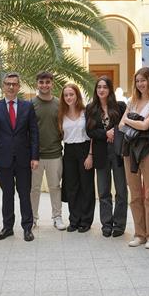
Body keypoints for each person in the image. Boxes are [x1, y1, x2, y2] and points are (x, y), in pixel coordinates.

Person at [0, 72, 39, 242]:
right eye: (8, 84)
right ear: (3, 86)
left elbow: (34, 134)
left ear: (19, 87)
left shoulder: (27, 107)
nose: (11, 87)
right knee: (7, 194)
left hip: (24, 159)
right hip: (3, 160)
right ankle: (7, 227)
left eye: (14, 84)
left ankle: (27, 228)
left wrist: (35, 157)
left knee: (25, 194)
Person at [119, 67, 149, 249]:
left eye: (143, 80)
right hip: (129, 149)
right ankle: (139, 234)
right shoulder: (132, 101)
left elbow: (145, 126)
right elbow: (120, 125)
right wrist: (131, 120)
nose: (140, 84)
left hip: (148, 149)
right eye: (137, 81)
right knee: (135, 194)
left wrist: (130, 120)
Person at [86, 76, 127, 237]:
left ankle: (119, 224)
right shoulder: (91, 108)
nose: (101, 90)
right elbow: (89, 131)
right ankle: (106, 224)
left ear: (110, 89)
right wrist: (105, 133)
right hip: (101, 153)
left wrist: (114, 132)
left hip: (118, 153)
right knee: (103, 191)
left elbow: (125, 125)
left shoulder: (120, 106)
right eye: (99, 87)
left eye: (104, 87)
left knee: (121, 190)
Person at [30, 71, 65, 230]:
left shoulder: (59, 104)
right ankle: (32, 218)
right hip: (35, 156)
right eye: (41, 82)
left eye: (47, 82)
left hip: (55, 153)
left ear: (52, 84)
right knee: (34, 188)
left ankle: (57, 217)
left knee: (55, 187)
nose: (44, 85)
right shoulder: (30, 105)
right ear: (37, 84)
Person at [58, 83, 95, 232]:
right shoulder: (61, 114)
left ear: (77, 95)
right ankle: (74, 219)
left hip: (85, 149)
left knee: (86, 186)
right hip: (69, 152)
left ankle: (86, 221)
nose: (68, 97)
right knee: (72, 187)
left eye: (71, 94)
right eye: (66, 95)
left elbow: (92, 135)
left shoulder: (86, 112)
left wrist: (90, 155)